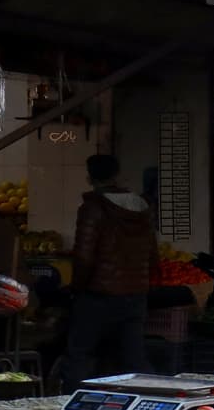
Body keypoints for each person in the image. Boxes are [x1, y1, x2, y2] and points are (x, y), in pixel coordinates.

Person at [59, 154, 157, 390]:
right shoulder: (142, 207)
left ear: (89, 177)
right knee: (133, 357)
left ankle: (72, 406)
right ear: (117, 174)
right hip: (136, 295)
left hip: (98, 294)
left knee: (80, 354)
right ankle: (144, 406)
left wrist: (76, 289)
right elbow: (152, 253)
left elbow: (84, 256)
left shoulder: (93, 208)